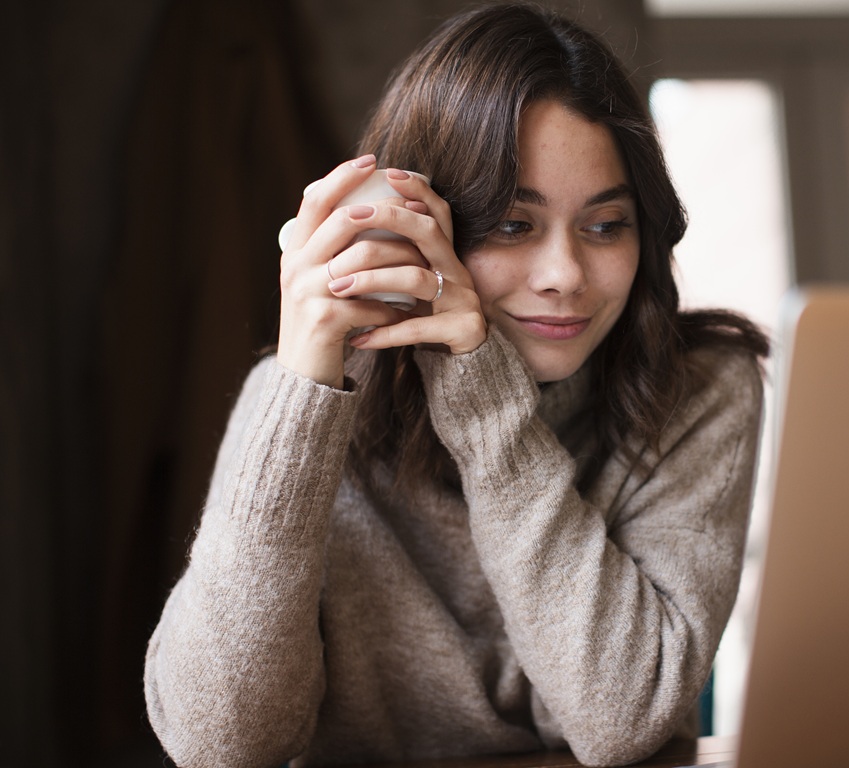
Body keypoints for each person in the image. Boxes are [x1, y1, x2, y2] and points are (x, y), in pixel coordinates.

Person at [143, 3, 769, 767]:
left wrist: (484, 399)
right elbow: (218, 744)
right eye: (512, 224)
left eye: (606, 226)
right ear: (420, 224)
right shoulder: (293, 402)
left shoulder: (699, 388)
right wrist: (302, 387)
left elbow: (623, 718)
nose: (565, 276)